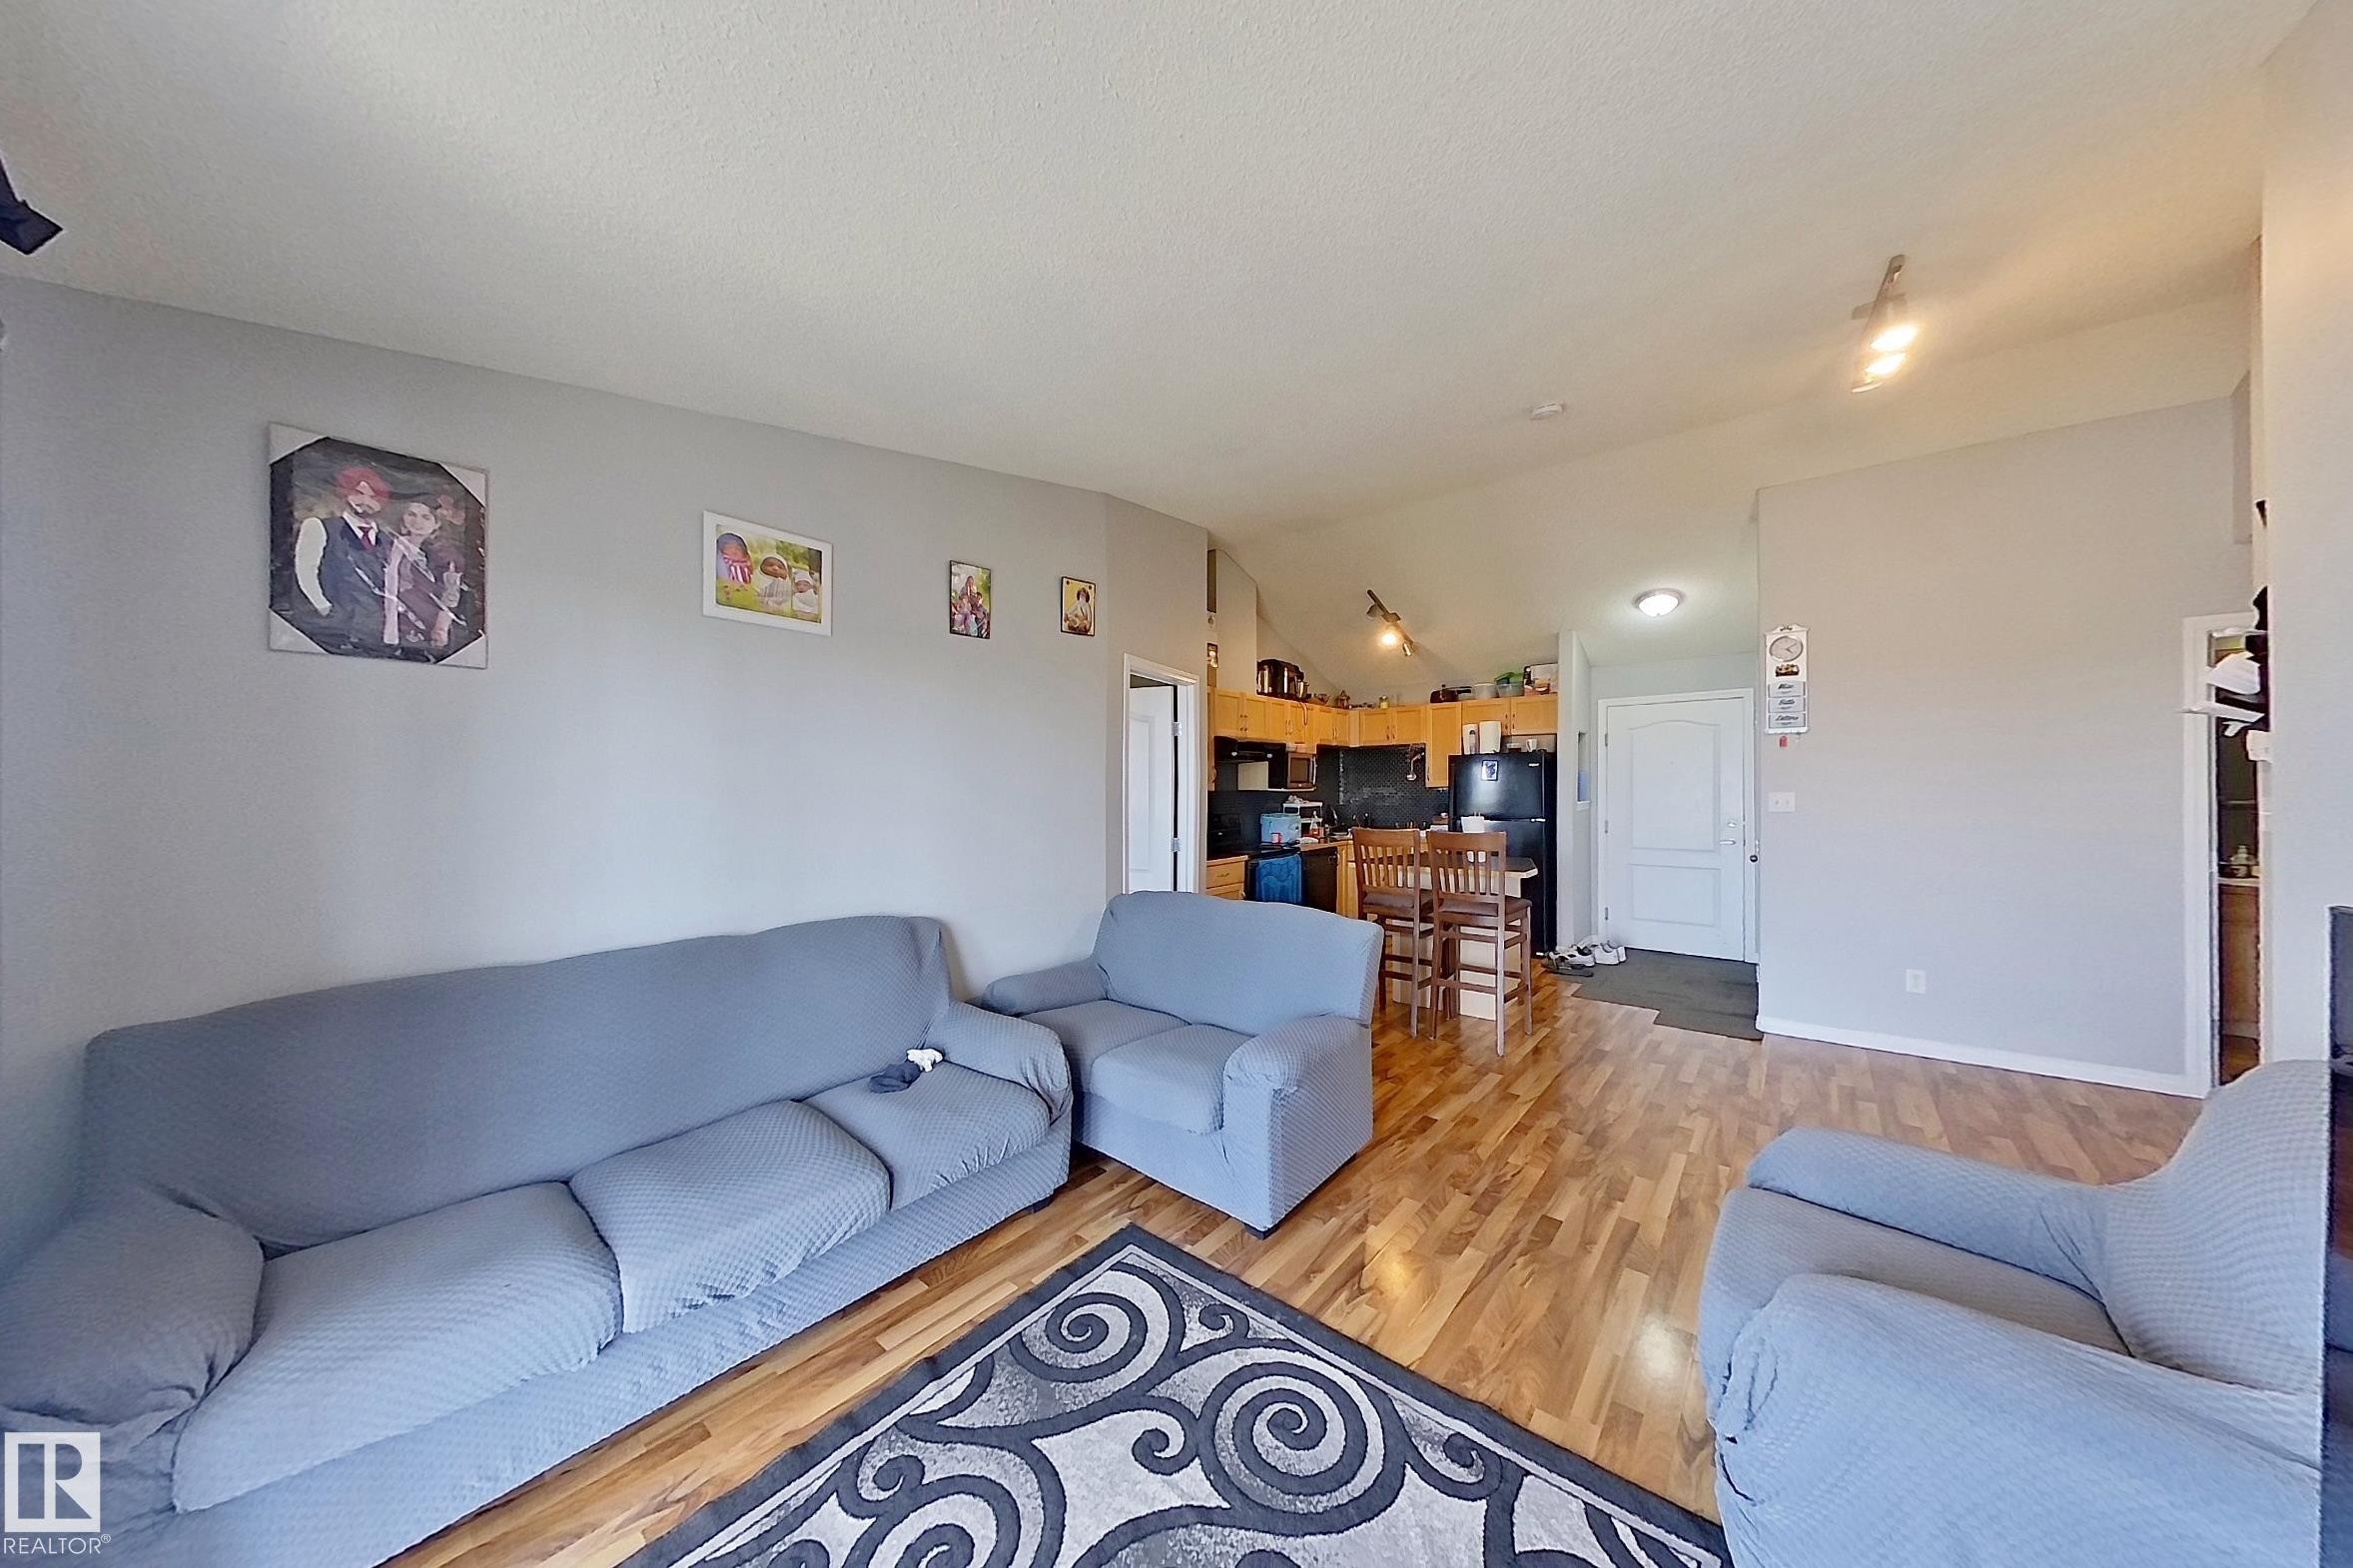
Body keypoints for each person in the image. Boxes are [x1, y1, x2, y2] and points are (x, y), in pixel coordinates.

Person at [293, 465, 392, 651]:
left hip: (374, 631)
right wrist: (324, 608)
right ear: (346, 494)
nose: (365, 501)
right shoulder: (319, 527)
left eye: (373, 497)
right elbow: (305, 570)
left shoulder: (388, 540)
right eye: (359, 493)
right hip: (331, 632)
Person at [383, 499, 464, 652]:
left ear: (437, 523)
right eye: (411, 515)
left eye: (426, 517)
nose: (417, 522)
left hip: (431, 622)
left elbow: (451, 595)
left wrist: (441, 628)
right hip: (397, 619)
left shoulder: (445, 554)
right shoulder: (392, 546)